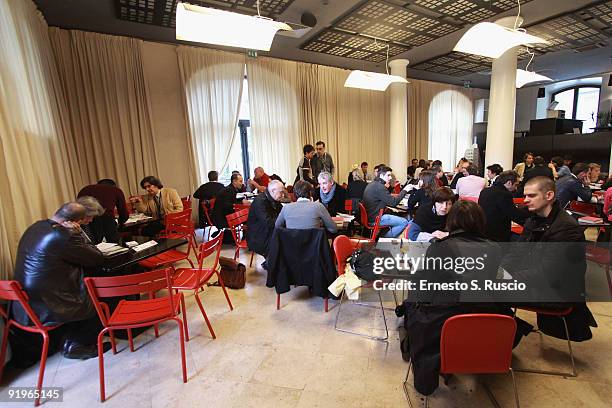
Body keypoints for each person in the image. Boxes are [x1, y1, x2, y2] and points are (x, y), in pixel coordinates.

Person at [401, 200, 504, 396]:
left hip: (446, 318)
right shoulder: (494, 248)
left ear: (452, 221)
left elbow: (427, 288)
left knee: (412, 303)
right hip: (483, 317)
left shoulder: (442, 248)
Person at [10, 202, 110, 360]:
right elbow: (96, 258)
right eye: (85, 221)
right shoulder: (64, 235)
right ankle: (77, 345)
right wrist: (79, 234)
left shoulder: (36, 227)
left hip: (25, 302)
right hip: (48, 302)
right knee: (95, 294)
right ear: (76, 221)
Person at [501, 177, 596, 342]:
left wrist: (506, 279)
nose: (525, 200)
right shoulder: (535, 219)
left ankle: (510, 336)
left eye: (531, 196)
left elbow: (547, 273)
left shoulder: (566, 228)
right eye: (525, 196)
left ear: (549, 195)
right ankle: (507, 334)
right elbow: (516, 253)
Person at [478, 170, 529, 242]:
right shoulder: (504, 194)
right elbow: (514, 215)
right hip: (498, 236)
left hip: (483, 233)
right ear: (509, 183)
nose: (516, 188)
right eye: (516, 185)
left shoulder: (485, 191)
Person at [362, 165, 411, 238]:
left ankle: (382, 237)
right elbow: (394, 203)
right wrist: (405, 190)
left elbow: (380, 200)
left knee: (395, 214)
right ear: (381, 175)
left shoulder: (372, 184)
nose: (390, 178)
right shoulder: (380, 187)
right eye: (388, 175)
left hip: (371, 217)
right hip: (376, 219)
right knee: (404, 222)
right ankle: (384, 239)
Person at [77, 178, 128, 243]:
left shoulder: (86, 189)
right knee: (113, 243)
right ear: (113, 185)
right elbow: (123, 211)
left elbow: (79, 206)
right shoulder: (116, 190)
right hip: (107, 217)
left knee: (93, 242)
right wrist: (120, 222)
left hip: (86, 219)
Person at [246, 180, 286, 258]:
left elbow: (282, 213)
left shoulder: (273, 198)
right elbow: (268, 222)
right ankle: (274, 266)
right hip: (258, 237)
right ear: (273, 191)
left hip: (266, 232)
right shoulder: (260, 202)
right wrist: (283, 221)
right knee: (284, 243)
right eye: (281, 192)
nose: (283, 195)